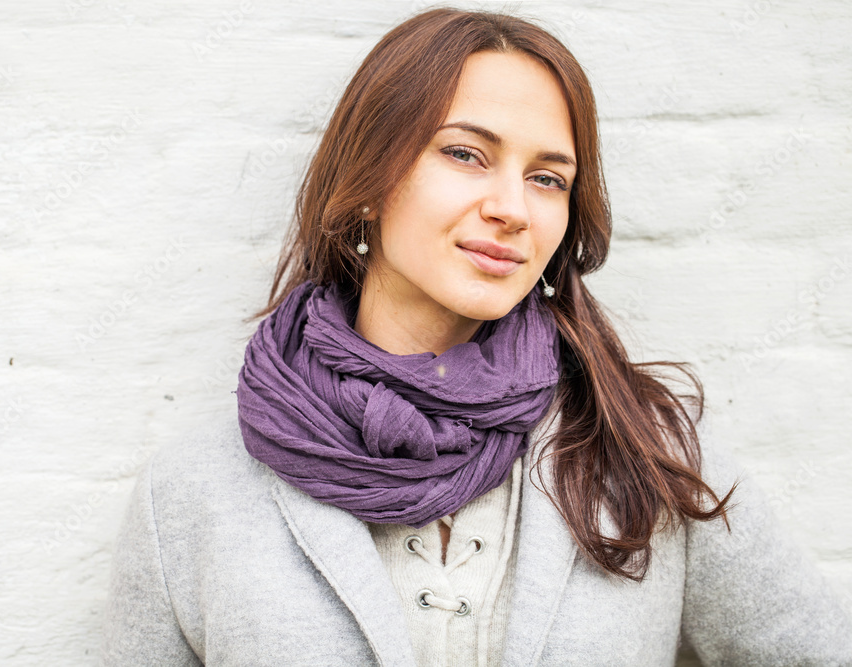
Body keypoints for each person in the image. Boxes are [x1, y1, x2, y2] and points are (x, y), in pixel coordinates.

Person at [101, 8, 852, 666]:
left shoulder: (642, 448)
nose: (512, 208)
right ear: (368, 178)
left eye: (548, 178)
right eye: (466, 153)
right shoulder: (193, 494)